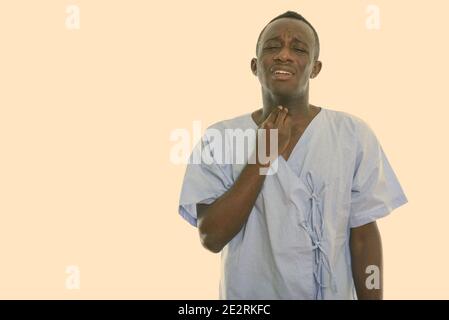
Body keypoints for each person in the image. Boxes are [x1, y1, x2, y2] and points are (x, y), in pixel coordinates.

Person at [178, 11, 407, 299]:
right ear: (254, 65)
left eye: (299, 49)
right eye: (273, 47)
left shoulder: (351, 134)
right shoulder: (220, 138)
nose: (284, 55)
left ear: (315, 68)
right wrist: (263, 157)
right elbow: (211, 236)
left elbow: (363, 235)